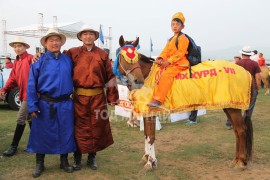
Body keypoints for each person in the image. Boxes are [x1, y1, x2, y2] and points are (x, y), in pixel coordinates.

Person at [64, 24, 119, 170]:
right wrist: (39, 56)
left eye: (91, 34)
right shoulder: (72, 53)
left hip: (97, 98)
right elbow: (58, 61)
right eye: (85, 34)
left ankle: (92, 158)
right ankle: (77, 158)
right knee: (78, 128)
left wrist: (112, 97)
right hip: (78, 98)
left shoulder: (102, 54)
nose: (88, 36)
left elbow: (110, 77)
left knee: (96, 127)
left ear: (95, 36)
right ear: (81, 37)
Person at [27, 28, 76, 178]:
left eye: (57, 40)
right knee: (41, 134)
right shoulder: (38, 61)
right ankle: (39, 163)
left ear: (61, 42)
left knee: (66, 132)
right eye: (51, 40)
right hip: (44, 103)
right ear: (46, 43)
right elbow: (31, 85)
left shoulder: (68, 60)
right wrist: (32, 106)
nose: (54, 43)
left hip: (65, 104)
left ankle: (64, 161)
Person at [148, 12, 189, 108]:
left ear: (183, 26)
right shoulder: (171, 39)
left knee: (166, 75)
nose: (174, 26)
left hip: (180, 63)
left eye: (177, 24)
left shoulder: (183, 38)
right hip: (172, 63)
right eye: (173, 24)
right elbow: (165, 51)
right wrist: (160, 58)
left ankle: (158, 100)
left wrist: (168, 61)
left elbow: (180, 53)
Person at [0, 37, 33, 157]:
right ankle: (34, 144)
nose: (17, 48)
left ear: (25, 47)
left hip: (31, 95)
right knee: (30, 118)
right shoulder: (17, 61)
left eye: (19, 46)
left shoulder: (31, 59)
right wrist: (4, 89)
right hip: (23, 94)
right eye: (15, 46)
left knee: (20, 118)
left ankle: (13, 146)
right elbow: (13, 78)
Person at [226, 46, 261, 130]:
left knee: (235, 105)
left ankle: (229, 123)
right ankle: (245, 123)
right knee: (249, 107)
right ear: (250, 55)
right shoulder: (254, 64)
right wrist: (258, 88)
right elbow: (258, 78)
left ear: (242, 54)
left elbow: (233, 77)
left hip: (239, 88)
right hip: (251, 88)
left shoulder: (237, 64)